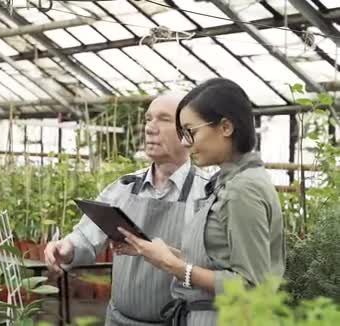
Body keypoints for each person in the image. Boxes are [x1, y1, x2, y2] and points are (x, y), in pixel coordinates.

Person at [117, 78, 286, 326]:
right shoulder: (227, 182)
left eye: (190, 131)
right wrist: (152, 252)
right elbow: (217, 261)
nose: (185, 142)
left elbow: (252, 287)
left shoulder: (244, 190)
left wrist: (176, 267)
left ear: (226, 127)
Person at [44, 94, 209, 325]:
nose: (151, 128)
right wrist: (67, 247)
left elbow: (216, 270)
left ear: (187, 132)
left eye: (163, 119)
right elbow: (86, 236)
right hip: (118, 320)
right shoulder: (125, 187)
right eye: (148, 119)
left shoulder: (205, 195)